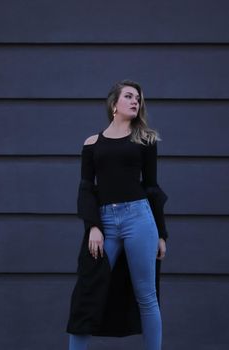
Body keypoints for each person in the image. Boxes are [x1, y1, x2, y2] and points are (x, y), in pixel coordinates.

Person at [66, 79, 168, 350]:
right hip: (105, 222)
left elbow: (151, 187)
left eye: (138, 98)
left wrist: (161, 233)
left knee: (146, 296)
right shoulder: (91, 143)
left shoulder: (145, 140)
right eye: (129, 96)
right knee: (87, 293)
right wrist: (93, 227)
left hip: (140, 219)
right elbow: (87, 189)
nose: (136, 101)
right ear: (114, 104)